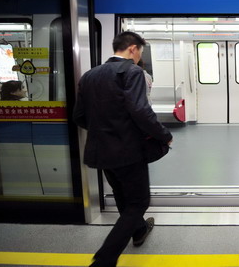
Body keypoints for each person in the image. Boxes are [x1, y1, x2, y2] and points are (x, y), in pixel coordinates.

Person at [73, 31, 173, 267]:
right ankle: (104, 259)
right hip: (127, 151)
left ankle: (138, 231)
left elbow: (79, 116)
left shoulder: (89, 75)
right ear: (132, 49)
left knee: (121, 195)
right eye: (140, 52)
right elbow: (140, 111)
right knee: (138, 203)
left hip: (100, 150)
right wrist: (164, 135)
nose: (139, 57)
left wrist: (103, 130)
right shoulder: (132, 71)